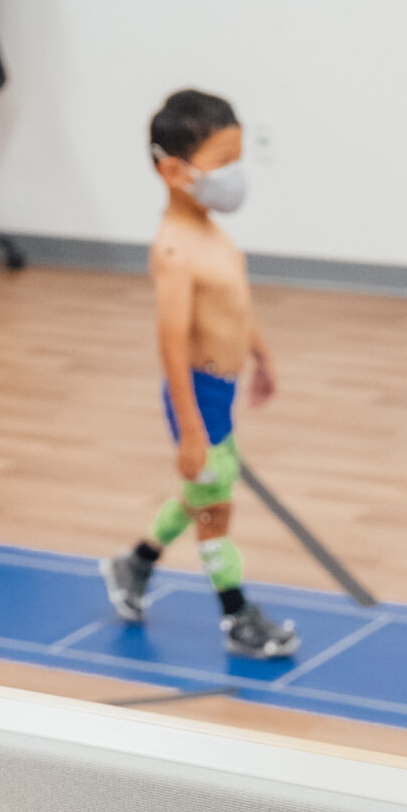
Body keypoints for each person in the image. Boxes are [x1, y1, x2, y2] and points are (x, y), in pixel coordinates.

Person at [102, 88, 299, 662]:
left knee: (204, 494)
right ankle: (237, 616)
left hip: (225, 389)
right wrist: (190, 429)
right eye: (222, 163)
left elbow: (236, 306)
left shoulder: (214, 235)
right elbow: (172, 345)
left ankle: (134, 563)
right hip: (200, 395)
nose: (233, 175)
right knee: (215, 506)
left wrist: (261, 356)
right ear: (173, 170)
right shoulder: (174, 251)